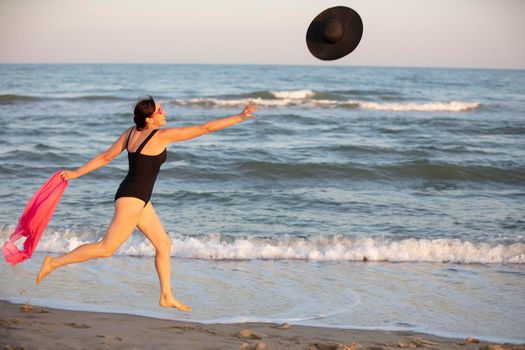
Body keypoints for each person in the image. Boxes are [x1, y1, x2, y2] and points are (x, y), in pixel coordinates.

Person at [35, 96, 257, 312]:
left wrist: (77, 173)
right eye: (160, 111)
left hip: (136, 198)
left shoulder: (130, 133)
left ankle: (166, 296)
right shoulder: (160, 136)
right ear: (149, 119)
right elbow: (205, 128)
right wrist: (239, 117)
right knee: (105, 249)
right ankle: (54, 262)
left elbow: (105, 158)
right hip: (132, 200)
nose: (164, 113)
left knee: (163, 244)